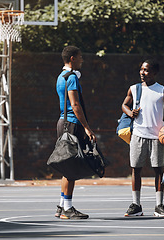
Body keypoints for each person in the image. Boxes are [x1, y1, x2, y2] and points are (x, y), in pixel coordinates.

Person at [122, 59, 164, 217]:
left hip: (157, 137)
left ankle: (159, 206)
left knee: (159, 171)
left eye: (146, 70)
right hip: (138, 135)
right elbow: (124, 105)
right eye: (141, 69)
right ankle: (136, 205)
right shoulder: (134, 89)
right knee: (136, 169)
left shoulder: (162, 90)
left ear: (154, 73)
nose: (142, 72)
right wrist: (130, 113)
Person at [54, 46, 97, 220]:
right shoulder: (71, 77)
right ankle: (68, 209)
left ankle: (61, 206)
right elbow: (75, 105)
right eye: (80, 57)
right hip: (72, 124)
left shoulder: (60, 77)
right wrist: (86, 127)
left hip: (62, 122)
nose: (82, 60)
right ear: (72, 58)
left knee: (67, 165)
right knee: (71, 167)